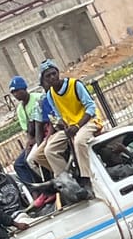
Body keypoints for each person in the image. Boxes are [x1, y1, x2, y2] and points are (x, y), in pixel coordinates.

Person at [36, 59, 104, 187]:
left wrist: (77, 126)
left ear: (58, 72)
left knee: (79, 141)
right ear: (44, 79)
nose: (52, 77)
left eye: (53, 73)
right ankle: (67, 181)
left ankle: (86, 177)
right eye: (48, 76)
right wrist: (63, 125)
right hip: (71, 126)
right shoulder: (50, 95)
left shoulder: (74, 84)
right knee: (49, 150)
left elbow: (90, 107)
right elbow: (59, 115)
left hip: (88, 121)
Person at [9, 76, 44, 184]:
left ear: (24, 89)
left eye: (17, 91)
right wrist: (29, 142)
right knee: (19, 164)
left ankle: (46, 183)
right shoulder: (20, 109)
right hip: (34, 138)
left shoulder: (38, 98)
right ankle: (36, 188)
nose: (15, 95)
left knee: (30, 159)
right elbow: (27, 131)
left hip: (45, 134)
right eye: (13, 93)